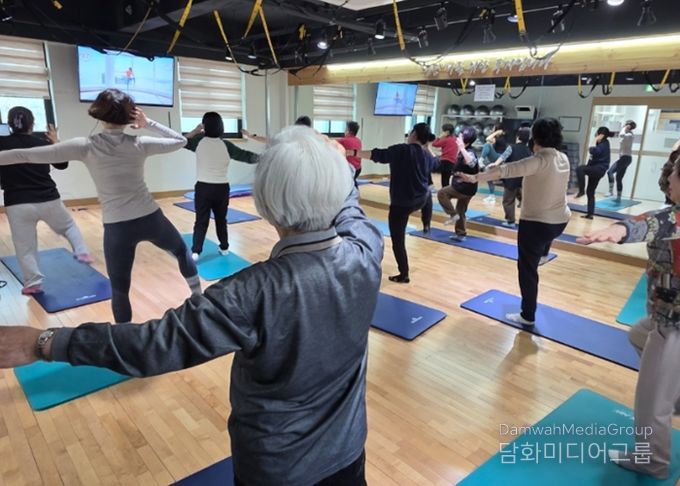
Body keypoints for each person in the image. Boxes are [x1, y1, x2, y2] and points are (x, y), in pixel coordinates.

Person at [0, 126, 384, 486]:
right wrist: (333, 167)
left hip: (278, 469)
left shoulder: (250, 293)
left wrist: (45, 342)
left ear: (266, 204)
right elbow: (349, 206)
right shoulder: (366, 248)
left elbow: (152, 346)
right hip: (348, 454)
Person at [0, 88, 200, 323]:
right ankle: (199, 300)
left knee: (120, 290)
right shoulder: (140, 142)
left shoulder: (85, 145)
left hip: (118, 228)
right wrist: (148, 123)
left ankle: (124, 337)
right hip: (151, 218)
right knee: (181, 252)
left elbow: (23, 155)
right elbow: (181, 140)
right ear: (129, 117)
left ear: (100, 116)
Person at [576, 147, 680, 480]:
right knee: (638, 333)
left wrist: (618, 231)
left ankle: (653, 461)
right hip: (663, 317)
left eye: (674, 173)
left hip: (674, 324)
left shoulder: (674, 218)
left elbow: (651, 223)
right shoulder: (673, 211)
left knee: (651, 399)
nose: (668, 177)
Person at [457, 118, 570, 326]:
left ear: (536, 138)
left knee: (527, 269)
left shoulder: (538, 160)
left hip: (537, 224)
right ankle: (544, 253)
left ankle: (527, 315)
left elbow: (506, 170)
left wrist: (473, 178)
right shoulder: (563, 158)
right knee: (543, 242)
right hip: (561, 221)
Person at [0, 106, 93, 295]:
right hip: (48, 198)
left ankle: (33, 283)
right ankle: (81, 251)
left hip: (17, 203)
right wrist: (55, 141)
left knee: (25, 247)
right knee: (68, 226)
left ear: (9, 124)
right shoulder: (42, 142)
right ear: (32, 124)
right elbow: (62, 164)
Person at [349, 122, 437, 284]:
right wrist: (428, 148)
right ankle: (426, 223)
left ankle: (404, 274)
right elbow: (436, 164)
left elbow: (378, 155)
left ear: (414, 134)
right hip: (420, 200)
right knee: (427, 192)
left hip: (402, 204)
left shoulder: (402, 149)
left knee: (398, 239)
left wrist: (353, 152)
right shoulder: (426, 155)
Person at [184, 112, 259, 261]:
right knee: (221, 219)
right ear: (221, 127)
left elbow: (179, 141)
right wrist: (266, 158)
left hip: (203, 188)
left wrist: (195, 130)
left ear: (204, 126)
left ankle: (196, 251)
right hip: (222, 189)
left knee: (201, 220)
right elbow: (247, 156)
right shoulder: (226, 145)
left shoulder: (198, 141)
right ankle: (224, 247)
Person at [436, 126, 479, 242]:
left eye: (460, 136)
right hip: (469, 188)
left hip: (463, 187)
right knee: (461, 210)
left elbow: (472, 163)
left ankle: (453, 215)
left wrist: (462, 149)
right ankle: (461, 234)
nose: (457, 138)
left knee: (442, 193)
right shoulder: (464, 150)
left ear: (465, 140)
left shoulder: (469, 152)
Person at [486, 127, 533, 228]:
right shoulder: (529, 150)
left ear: (518, 137)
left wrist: (495, 164)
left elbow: (503, 157)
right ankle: (530, 221)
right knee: (525, 201)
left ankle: (510, 221)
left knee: (508, 201)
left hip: (511, 178)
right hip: (524, 179)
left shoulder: (512, 147)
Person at [576, 126, 612, 219]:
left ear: (600, 135)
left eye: (597, 133)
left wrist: (594, 140)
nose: (595, 135)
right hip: (595, 169)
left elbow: (593, 151)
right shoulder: (601, 143)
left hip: (598, 169)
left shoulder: (604, 144)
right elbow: (593, 157)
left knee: (580, 169)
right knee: (590, 191)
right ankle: (590, 214)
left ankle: (581, 191)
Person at [606, 120, 637, 202]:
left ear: (628, 126)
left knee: (610, 172)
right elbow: (620, 135)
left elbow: (621, 135)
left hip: (625, 158)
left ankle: (610, 192)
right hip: (625, 158)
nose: (623, 125)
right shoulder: (628, 135)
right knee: (619, 178)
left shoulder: (629, 135)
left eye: (625, 124)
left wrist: (625, 127)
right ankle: (618, 197)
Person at [480, 126, 507, 204]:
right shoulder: (496, 138)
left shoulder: (500, 138)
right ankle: (492, 196)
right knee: (488, 175)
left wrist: (496, 132)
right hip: (495, 159)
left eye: (493, 129)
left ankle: (481, 160)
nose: (492, 130)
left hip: (499, 158)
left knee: (487, 145)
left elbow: (488, 139)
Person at [241, 116, 312, 144]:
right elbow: (267, 140)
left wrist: (250, 136)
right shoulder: (289, 136)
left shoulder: (311, 141)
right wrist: (250, 135)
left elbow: (267, 140)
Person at [432, 123, 459, 188]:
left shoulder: (446, 140)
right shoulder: (455, 139)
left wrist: (439, 137)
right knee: (447, 178)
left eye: (443, 131)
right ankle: (446, 191)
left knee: (444, 179)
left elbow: (434, 144)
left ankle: (445, 192)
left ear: (447, 132)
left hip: (445, 161)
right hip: (453, 161)